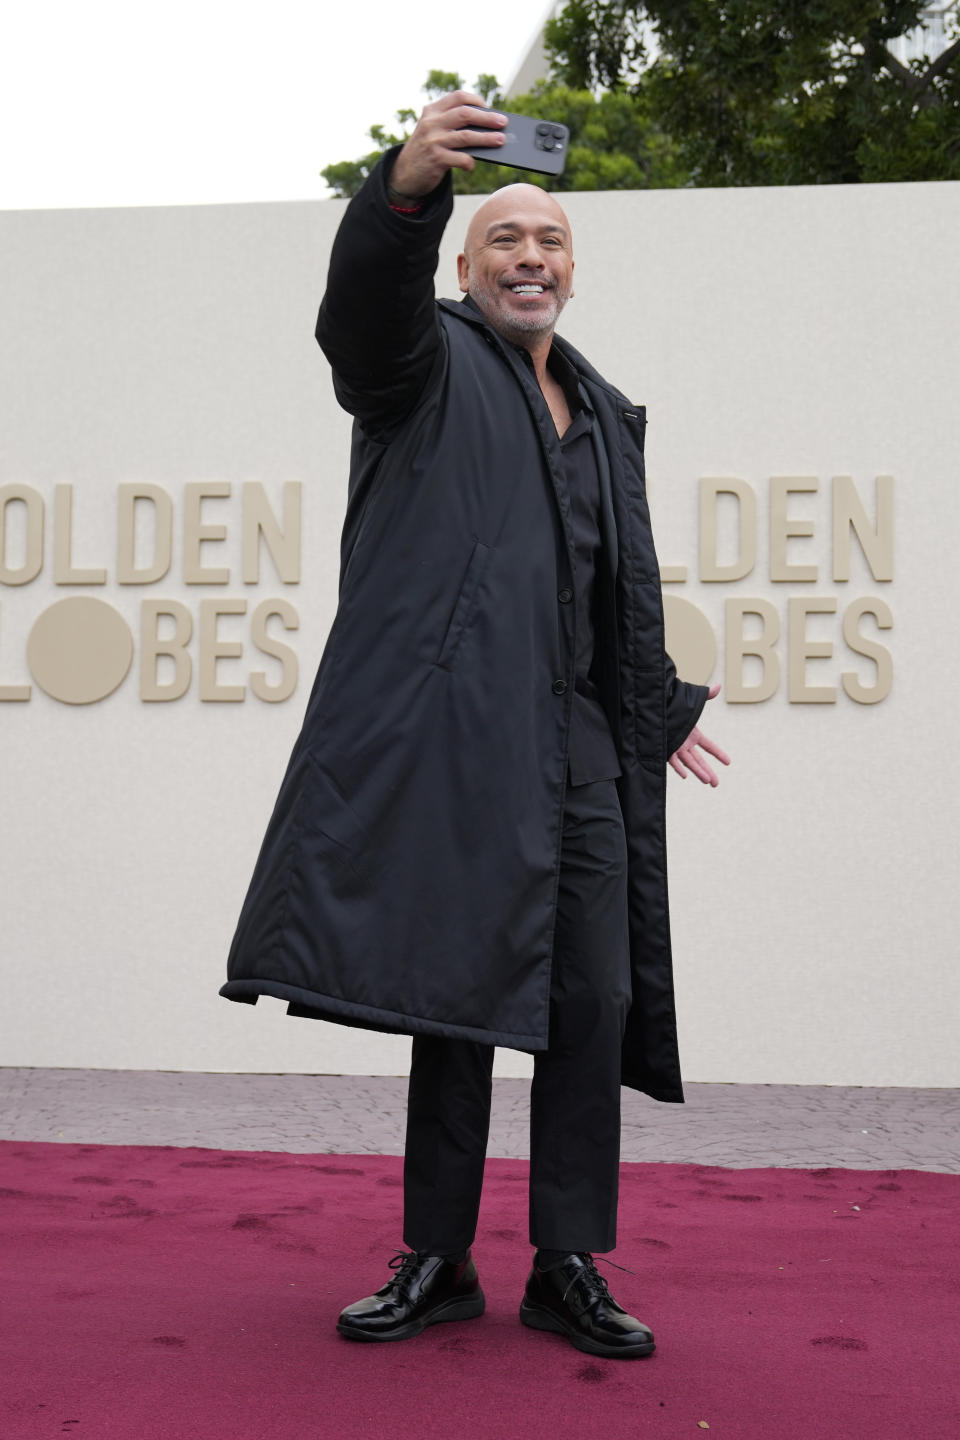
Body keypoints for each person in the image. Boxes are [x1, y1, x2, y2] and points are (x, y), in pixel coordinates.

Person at [221, 90, 729, 1360]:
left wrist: (654, 706)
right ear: (465, 263)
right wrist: (404, 193)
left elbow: (608, 586)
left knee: (592, 998)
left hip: (581, 752)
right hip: (463, 744)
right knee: (455, 996)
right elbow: (360, 321)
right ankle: (438, 1256)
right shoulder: (425, 363)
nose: (530, 257)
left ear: (573, 269)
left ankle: (568, 1261)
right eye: (504, 239)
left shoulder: (608, 415)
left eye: (550, 241)